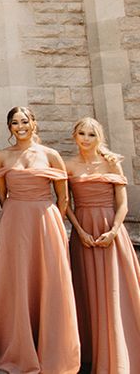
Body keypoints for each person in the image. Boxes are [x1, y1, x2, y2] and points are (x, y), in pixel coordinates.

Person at [0, 106, 80, 374]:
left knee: (50, 280)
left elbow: (63, 197)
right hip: (15, 220)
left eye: (25, 121)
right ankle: (19, 345)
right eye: (15, 122)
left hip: (46, 219)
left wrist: (52, 222)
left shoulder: (51, 155)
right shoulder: (2, 157)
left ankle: (54, 349)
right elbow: (2, 195)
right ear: (9, 127)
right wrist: (16, 215)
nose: (20, 126)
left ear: (33, 123)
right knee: (19, 280)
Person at [66, 117, 140, 374]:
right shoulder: (69, 166)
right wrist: (80, 231)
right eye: (82, 134)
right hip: (83, 231)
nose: (86, 139)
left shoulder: (111, 163)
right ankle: (91, 354)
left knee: (113, 291)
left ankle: (120, 356)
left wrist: (114, 231)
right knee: (86, 290)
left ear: (100, 138)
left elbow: (123, 204)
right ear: (74, 136)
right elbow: (66, 205)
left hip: (111, 230)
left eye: (92, 134)